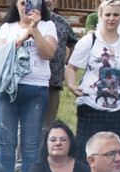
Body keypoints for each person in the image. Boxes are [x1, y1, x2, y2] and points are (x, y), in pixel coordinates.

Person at [0, 0, 58, 172]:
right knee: (7, 142)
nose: (26, 7)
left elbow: (48, 53)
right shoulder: (6, 28)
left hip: (36, 89)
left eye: (31, 2)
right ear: (16, 5)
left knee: (30, 144)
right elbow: (1, 54)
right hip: (7, 89)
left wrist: (34, 29)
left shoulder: (48, 26)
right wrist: (23, 36)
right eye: (22, 2)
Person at [66, 0, 120, 160]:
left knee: (117, 154)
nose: (111, 18)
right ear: (100, 16)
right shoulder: (89, 41)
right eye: (108, 14)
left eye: (115, 15)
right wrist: (71, 85)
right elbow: (71, 67)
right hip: (91, 105)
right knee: (88, 154)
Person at [43, 0, 78, 128]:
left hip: (53, 82)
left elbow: (74, 45)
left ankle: (44, 148)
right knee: (25, 125)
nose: (47, 1)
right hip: (30, 82)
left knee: (47, 125)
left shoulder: (62, 23)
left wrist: (66, 65)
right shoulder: (27, 22)